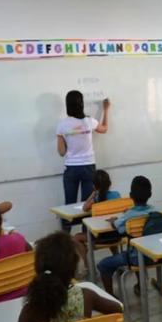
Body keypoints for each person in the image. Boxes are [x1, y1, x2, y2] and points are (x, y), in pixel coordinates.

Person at [4, 232, 122, 322]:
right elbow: (118, 311)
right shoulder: (86, 296)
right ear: (73, 269)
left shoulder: (30, 312)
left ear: (37, 268)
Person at [56, 91, 110, 231]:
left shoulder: (62, 125)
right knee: (88, 205)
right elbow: (104, 129)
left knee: (68, 207)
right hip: (89, 168)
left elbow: (61, 152)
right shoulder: (89, 121)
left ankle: (65, 240)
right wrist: (105, 110)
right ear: (82, 103)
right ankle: (86, 240)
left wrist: (69, 141)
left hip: (71, 169)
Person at [97, 176, 154, 296]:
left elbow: (118, 228)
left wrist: (113, 221)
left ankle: (111, 297)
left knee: (103, 265)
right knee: (138, 247)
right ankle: (139, 285)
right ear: (150, 194)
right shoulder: (155, 211)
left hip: (134, 257)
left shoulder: (128, 215)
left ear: (131, 195)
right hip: (152, 254)